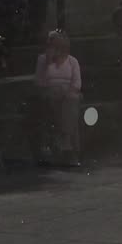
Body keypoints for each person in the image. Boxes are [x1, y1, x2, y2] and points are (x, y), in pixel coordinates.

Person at [34, 29, 82, 165]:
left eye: (57, 45)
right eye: (51, 45)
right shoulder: (42, 60)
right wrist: (48, 63)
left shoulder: (73, 61)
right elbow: (39, 82)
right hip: (50, 92)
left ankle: (65, 143)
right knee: (58, 101)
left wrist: (68, 91)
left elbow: (77, 83)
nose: (54, 48)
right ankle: (67, 147)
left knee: (71, 100)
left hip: (69, 93)